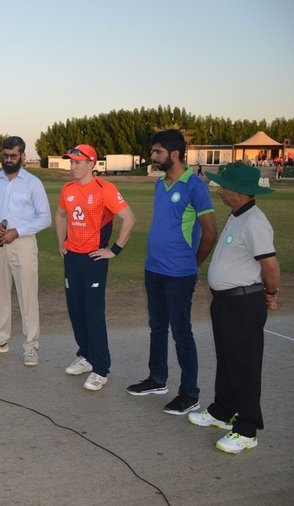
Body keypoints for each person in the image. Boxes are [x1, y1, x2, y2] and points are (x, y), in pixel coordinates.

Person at [189, 164, 279, 454]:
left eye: (224, 186)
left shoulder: (255, 221)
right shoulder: (238, 215)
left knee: (245, 365)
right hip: (226, 302)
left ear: (239, 192)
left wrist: (270, 293)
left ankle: (247, 429)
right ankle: (223, 410)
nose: (219, 190)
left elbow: (270, 266)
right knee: (228, 360)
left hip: (243, 303)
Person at [127, 129, 218, 415]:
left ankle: (190, 393)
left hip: (179, 273)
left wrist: (193, 265)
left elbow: (210, 233)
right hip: (153, 269)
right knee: (157, 327)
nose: (152, 156)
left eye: (158, 152)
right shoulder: (160, 184)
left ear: (175, 154)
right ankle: (157, 379)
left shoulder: (195, 186)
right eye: (153, 151)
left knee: (181, 332)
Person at [55, 144, 136, 391]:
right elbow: (60, 215)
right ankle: (86, 356)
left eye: (78, 162)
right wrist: (61, 243)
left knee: (93, 313)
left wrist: (115, 250)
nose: (73, 166)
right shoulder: (67, 189)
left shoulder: (105, 189)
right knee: (76, 310)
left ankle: (101, 369)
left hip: (94, 259)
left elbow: (129, 219)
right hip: (72, 258)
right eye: (71, 162)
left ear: (91, 163)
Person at [0, 136, 52, 366]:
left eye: (13, 155)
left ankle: (31, 346)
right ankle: (0, 340)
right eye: (5, 155)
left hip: (24, 244)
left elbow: (45, 218)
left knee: (27, 294)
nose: (9, 159)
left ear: (22, 156)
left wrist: (17, 232)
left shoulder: (32, 183)